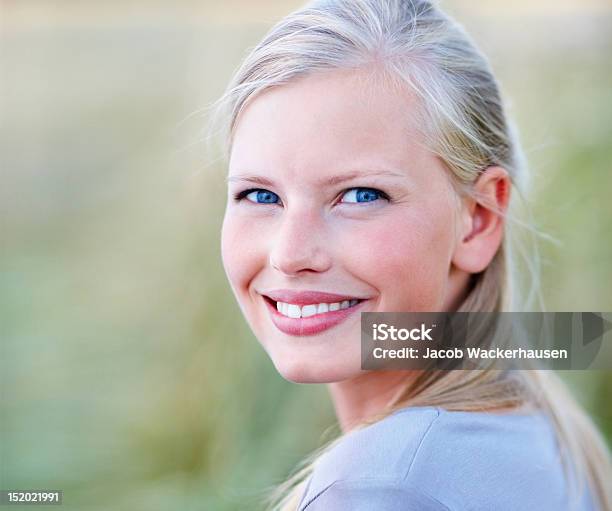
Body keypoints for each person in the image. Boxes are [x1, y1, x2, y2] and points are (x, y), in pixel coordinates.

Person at [212, 0, 612, 509]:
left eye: (360, 195)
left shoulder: (383, 486)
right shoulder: (532, 432)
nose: (290, 254)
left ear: (479, 219)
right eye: (260, 195)